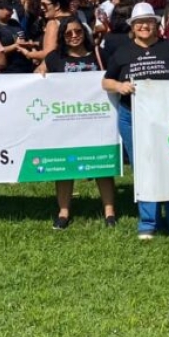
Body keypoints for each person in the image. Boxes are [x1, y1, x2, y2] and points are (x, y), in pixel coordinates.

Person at [102, 2, 169, 242]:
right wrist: (119, 86)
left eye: (149, 22)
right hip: (133, 117)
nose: (144, 26)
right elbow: (106, 81)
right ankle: (148, 222)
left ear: (156, 25)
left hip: (168, 118)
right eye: (139, 23)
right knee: (144, 168)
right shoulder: (122, 52)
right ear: (133, 26)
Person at [44, 19, 118, 229]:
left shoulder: (99, 54)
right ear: (62, 36)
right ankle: (64, 211)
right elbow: (41, 77)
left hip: (97, 118)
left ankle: (109, 212)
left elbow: (113, 77)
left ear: (84, 33)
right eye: (68, 33)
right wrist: (39, 74)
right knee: (64, 166)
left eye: (78, 31)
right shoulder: (54, 58)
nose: (74, 36)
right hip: (65, 119)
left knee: (102, 163)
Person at [0, 0, 36, 73]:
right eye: (9, 10)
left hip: (25, 65)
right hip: (8, 69)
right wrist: (15, 46)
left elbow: (25, 37)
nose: (11, 13)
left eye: (12, 10)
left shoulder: (14, 23)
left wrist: (31, 47)